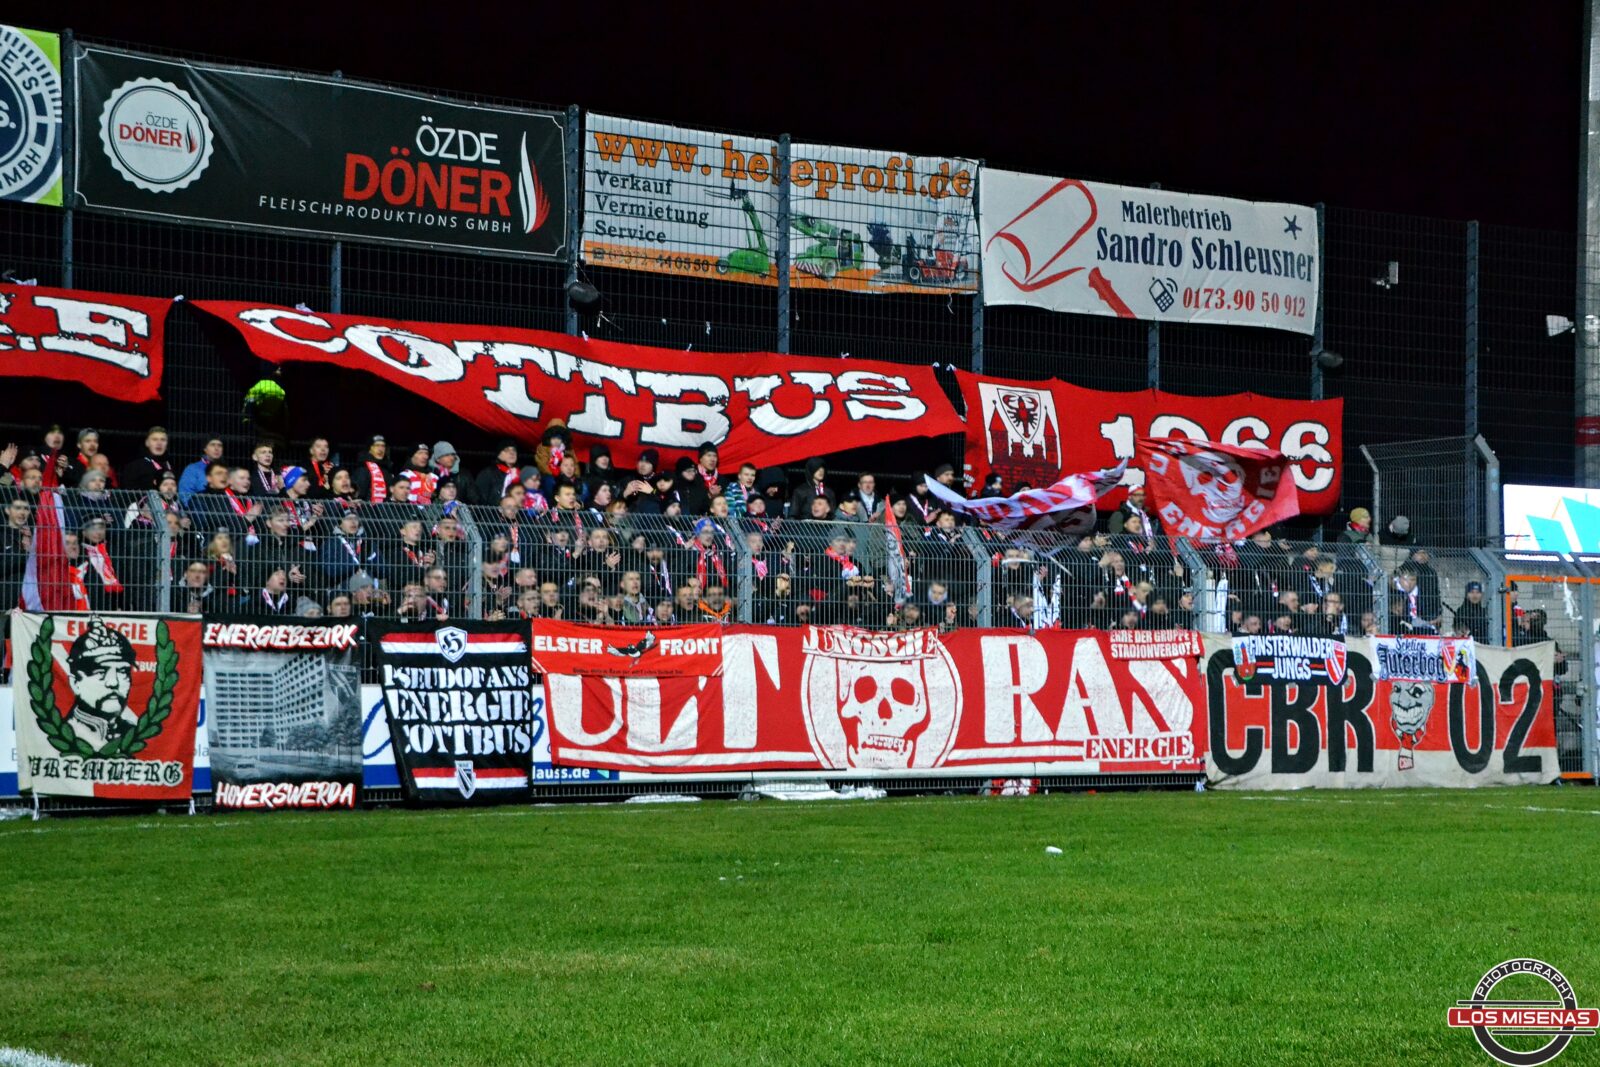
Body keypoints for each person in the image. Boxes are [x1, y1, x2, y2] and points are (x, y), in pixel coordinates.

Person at [120, 425, 175, 491]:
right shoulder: (135, 467)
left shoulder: (171, 466)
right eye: (155, 439)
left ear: (167, 444)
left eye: (163, 440)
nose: (159, 443)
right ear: (147, 443)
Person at [177, 437, 225, 505]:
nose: (216, 448)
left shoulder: (226, 470)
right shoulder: (192, 469)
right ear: (205, 449)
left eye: (219, 445)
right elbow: (185, 494)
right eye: (212, 445)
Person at [351, 435, 392, 503]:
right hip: (367, 511)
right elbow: (358, 495)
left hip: (384, 511)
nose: (380, 449)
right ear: (370, 448)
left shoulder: (387, 469)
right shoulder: (363, 468)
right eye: (377, 445)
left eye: (383, 446)